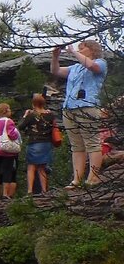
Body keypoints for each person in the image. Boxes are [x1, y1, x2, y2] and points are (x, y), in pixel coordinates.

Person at [50, 39, 108, 187]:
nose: (79, 50)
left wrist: (73, 52)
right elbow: (55, 71)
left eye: (82, 48)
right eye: (78, 48)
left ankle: (93, 178)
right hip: (69, 107)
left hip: (88, 106)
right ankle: (76, 179)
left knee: (92, 143)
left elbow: (92, 66)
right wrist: (55, 56)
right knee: (76, 146)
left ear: (92, 49)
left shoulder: (101, 62)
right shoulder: (74, 67)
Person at [19, 93, 56, 194]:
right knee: (42, 168)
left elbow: (21, 126)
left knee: (31, 167)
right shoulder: (51, 115)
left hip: (34, 143)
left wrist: (25, 115)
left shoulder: (31, 115)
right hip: (46, 144)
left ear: (33, 103)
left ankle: (30, 190)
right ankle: (44, 190)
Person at [0, 102, 21, 198]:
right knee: (7, 171)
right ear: (5, 111)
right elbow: (12, 135)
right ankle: (5, 194)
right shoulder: (8, 122)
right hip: (6, 151)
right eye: (9, 109)